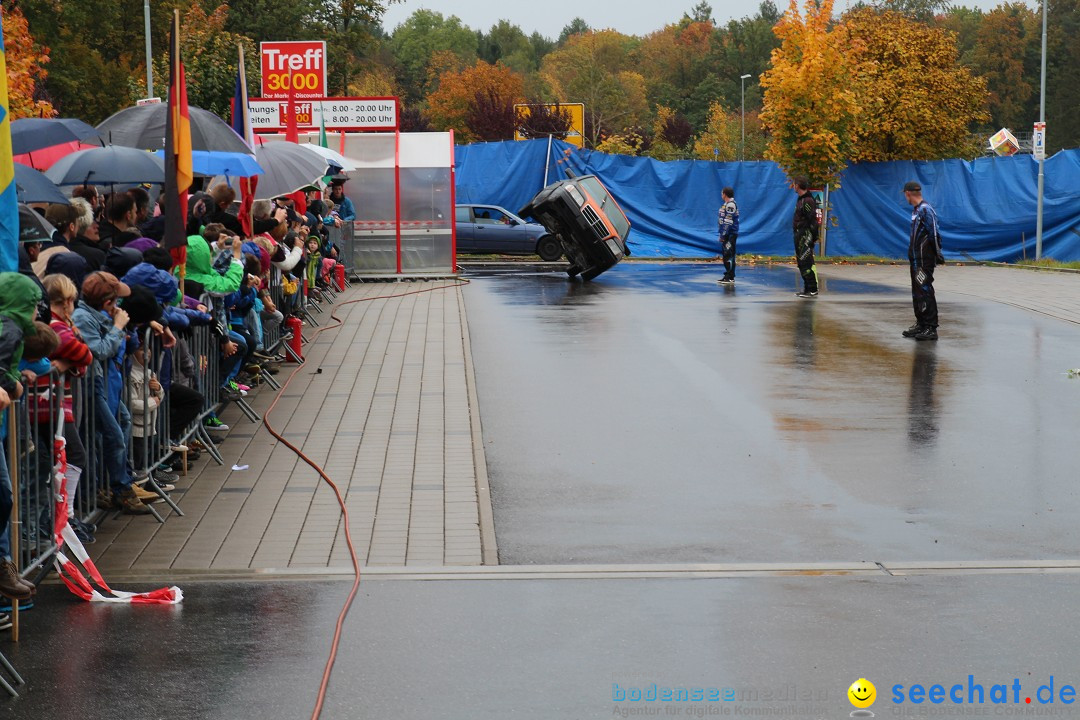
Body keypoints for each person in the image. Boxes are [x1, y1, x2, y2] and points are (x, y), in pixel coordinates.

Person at [0, 273, 42, 599]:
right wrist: (10, 385)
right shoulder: (9, 328)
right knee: (4, 493)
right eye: (33, 306)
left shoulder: (12, 328)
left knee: (5, 492)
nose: (37, 313)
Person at [902, 181, 944, 341]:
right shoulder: (916, 210)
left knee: (925, 289)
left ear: (908, 193)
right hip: (915, 259)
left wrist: (937, 252)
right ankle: (921, 322)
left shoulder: (926, 210)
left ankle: (931, 327)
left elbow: (933, 232)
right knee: (917, 291)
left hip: (924, 259)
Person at [792, 177, 820, 298]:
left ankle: (812, 289)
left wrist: (813, 237)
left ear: (798, 185)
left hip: (805, 235)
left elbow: (812, 220)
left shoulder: (808, 200)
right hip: (798, 234)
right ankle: (806, 288)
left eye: (794, 184)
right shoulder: (800, 200)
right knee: (801, 262)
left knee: (806, 261)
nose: (793, 186)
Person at [717, 187, 739, 285]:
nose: (721, 195)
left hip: (730, 234)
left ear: (725, 194)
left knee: (728, 254)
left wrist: (723, 234)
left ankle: (730, 276)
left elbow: (728, 221)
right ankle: (729, 275)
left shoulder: (731, 205)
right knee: (727, 254)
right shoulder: (726, 204)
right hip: (727, 234)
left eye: (722, 193)